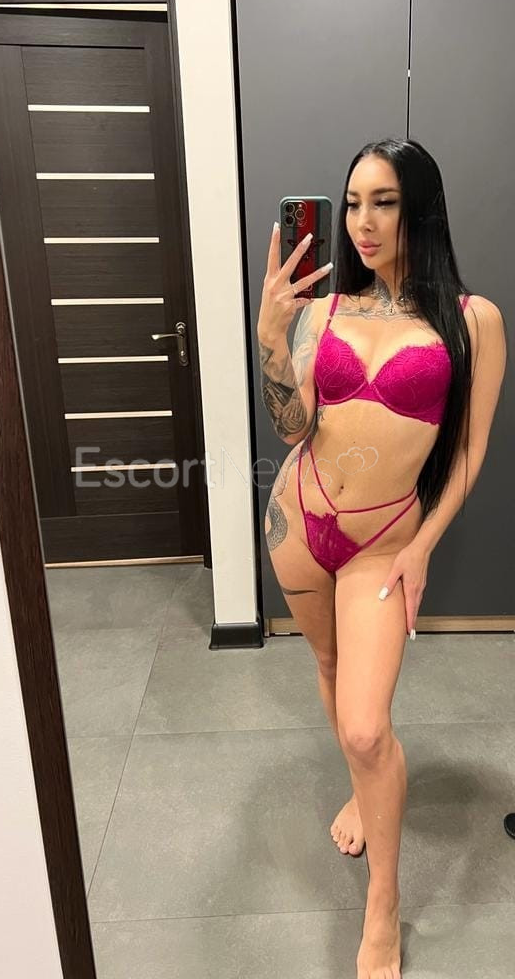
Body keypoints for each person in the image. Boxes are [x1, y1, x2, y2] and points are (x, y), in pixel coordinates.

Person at [257, 137, 507, 979]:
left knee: (368, 726)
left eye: (385, 202)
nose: (363, 222)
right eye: (354, 201)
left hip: (385, 539)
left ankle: (384, 905)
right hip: (299, 521)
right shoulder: (325, 310)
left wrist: (424, 546)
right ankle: (362, 795)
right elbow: (292, 429)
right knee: (329, 669)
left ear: (420, 208)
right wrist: (271, 335)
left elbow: (468, 451)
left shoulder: (473, 321)